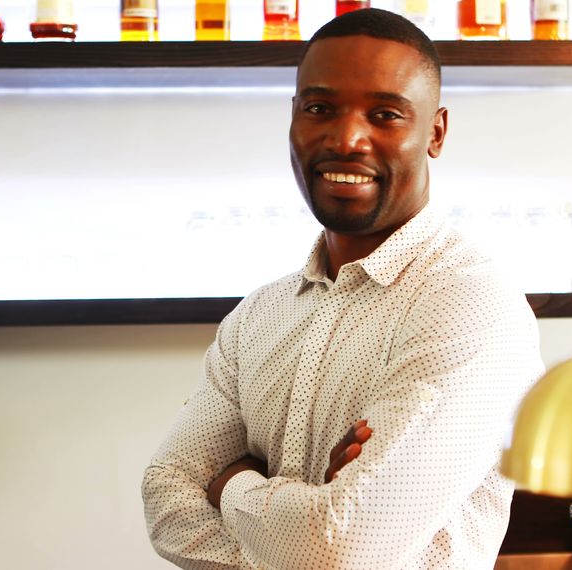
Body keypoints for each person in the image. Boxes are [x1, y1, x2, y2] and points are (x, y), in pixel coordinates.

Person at [142, 8, 544, 569]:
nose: (348, 138)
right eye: (320, 108)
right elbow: (165, 498)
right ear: (293, 118)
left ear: (436, 132)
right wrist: (296, 526)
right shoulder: (260, 314)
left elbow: (339, 549)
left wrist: (230, 484)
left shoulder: (471, 305)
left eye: (385, 114)